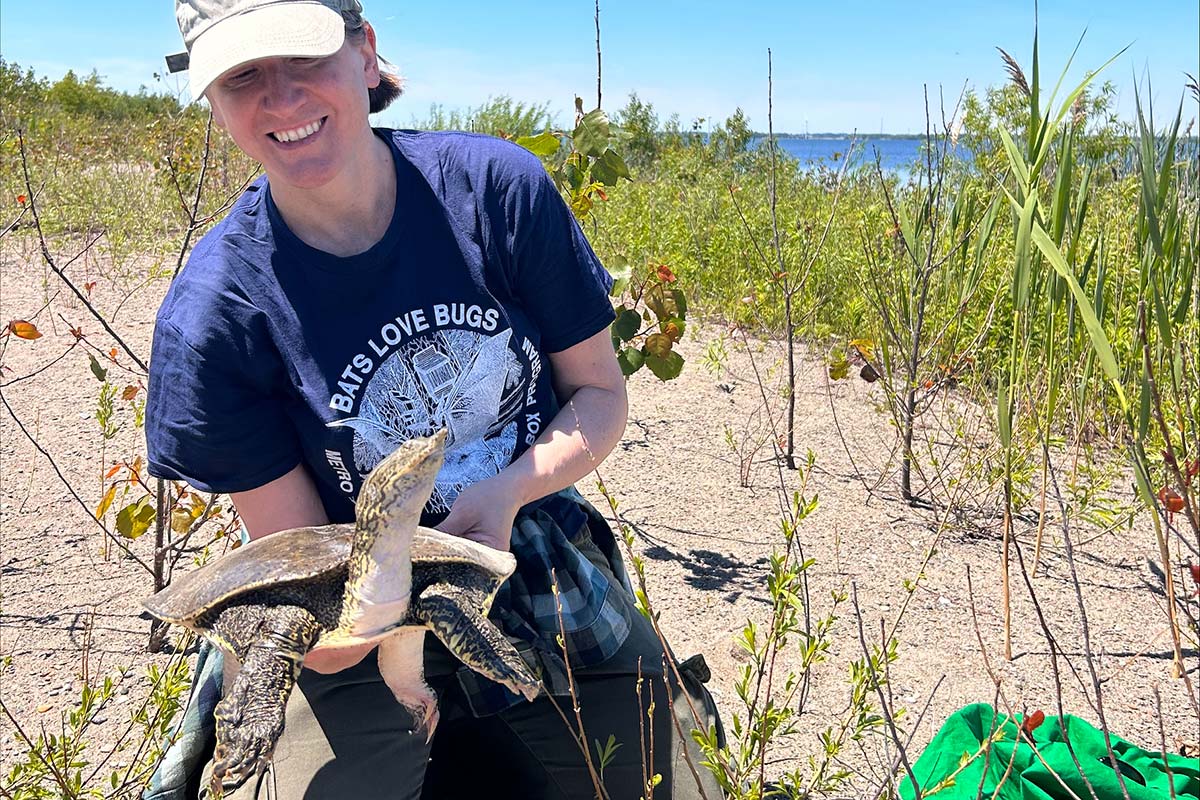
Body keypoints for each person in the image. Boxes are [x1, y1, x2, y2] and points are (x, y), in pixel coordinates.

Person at [145, 1, 724, 798]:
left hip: (518, 545)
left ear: (365, 52)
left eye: (303, 60)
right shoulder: (213, 313)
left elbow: (597, 392)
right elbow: (303, 580)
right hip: (326, 603)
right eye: (242, 75)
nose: (279, 97)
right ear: (211, 97)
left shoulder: (495, 191)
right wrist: (372, 611)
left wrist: (508, 489)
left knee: (671, 777)